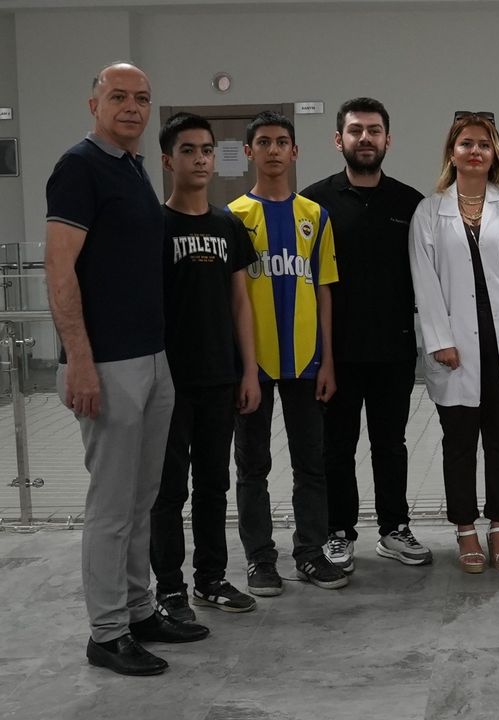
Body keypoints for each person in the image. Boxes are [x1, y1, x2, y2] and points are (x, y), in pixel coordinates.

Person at [45, 62, 207, 677]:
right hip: (108, 364)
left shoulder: (133, 168)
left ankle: (139, 611)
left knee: (143, 499)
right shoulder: (78, 167)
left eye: (142, 97)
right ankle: (107, 632)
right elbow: (59, 268)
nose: (132, 107)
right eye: (119, 96)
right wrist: (80, 361)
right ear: (95, 104)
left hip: (152, 358)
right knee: (112, 507)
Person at [409, 112, 499, 574]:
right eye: (466, 143)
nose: (475, 151)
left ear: (495, 152)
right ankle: (465, 529)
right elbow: (424, 281)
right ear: (452, 152)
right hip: (456, 351)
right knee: (459, 444)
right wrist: (439, 340)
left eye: (484, 144)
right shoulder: (430, 211)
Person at [301, 98, 429, 572]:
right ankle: (338, 532)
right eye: (356, 130)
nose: (365, 138)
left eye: (374, 130)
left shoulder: (410, 204)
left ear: (387, 139)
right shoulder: (314, 203)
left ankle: (394, 528)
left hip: (394, 349)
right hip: (335, 353)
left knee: (390, 444)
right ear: (339, 140)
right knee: (336, 446)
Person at [150, 112, 261, 623]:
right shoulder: (156, 226)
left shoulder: (227, 225)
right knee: (169, 489)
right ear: (167, 160)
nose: (199, 159)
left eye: (207, 150)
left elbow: (241, 302)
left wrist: (249, 370)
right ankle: (169, 588)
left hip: (220, 377)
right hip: (169, 381)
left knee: (213, 485)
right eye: (188, 150)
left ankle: (211, 578)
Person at [229, 111, 346, 595]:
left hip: (307, 362)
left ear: (295, 151)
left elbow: (324, 290)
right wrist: (242, 369)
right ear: (249, 151)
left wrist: (328, 361)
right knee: (253, 466)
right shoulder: (233, 216)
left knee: (311, 463)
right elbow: (233, 297)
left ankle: (310, 554)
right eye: (264, 142)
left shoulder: (315, 215)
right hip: (253, 365)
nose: (273, 150)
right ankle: (259, 559)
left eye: (282, 142)